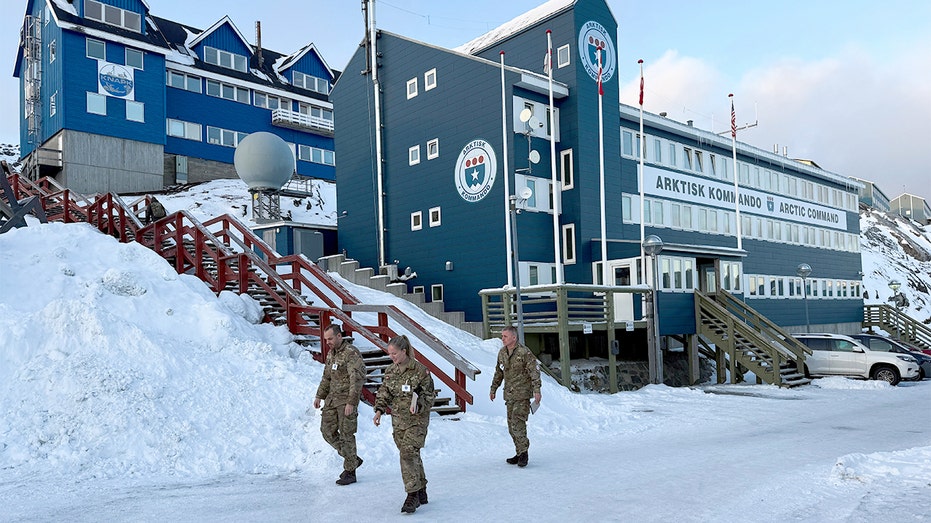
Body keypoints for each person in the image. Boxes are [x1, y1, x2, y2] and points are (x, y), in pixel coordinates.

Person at [373, 335, 435, 514]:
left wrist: (420, 404)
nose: (391, 356)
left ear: (404, 351)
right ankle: (421, 490)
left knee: (407, 453)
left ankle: (412, 495)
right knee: (411, 454)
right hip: (398, 421)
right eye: (389, 353)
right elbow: (384, 392)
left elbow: (430, 396)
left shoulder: (420, 371)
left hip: (417, 421)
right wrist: (379, 410)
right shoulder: (391, 371)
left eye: (394, 353)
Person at [314, 324, 367, 485]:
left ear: (339, 336)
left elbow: (356, 379)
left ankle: (350, 472)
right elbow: (326, 378)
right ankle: (352, 458)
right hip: (331, 399)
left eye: (330, 338)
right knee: (327, 431)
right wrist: (319, 396)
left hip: (345, 401)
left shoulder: (351, 353)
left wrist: (352, 402)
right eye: (325, 339)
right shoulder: (331, 354)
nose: (327, 342)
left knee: (346, 435)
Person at [489, 325, 541, 468]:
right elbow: (499, 372)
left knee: (518, 423)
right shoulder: (502, 353)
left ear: (514, 337)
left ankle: (524, 453)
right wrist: (493, 388)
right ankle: (519, 452)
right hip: (509, 395)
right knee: (511, 426)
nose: (502, 338)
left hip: (522, 394)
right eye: (502, 336)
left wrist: (537, 390)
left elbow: (534, 372)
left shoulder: (524, 353)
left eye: (505, 336)